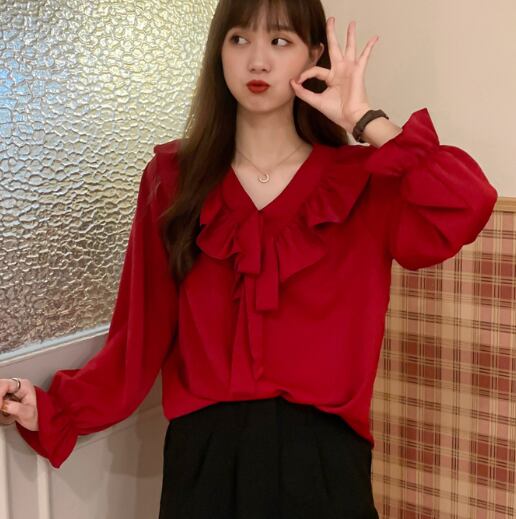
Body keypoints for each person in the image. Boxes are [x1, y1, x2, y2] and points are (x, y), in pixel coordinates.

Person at [0, 0, 498, 517]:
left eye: (280, 41)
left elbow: (467, 205)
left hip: (326, 465)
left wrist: (363, 118)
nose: (257, 61)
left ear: (314, 55)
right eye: (239, 39)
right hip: (204, 465)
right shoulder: (173, 179)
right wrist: (54, 408)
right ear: (219, 52)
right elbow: (140, 334)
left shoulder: (361, 183)